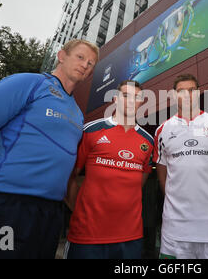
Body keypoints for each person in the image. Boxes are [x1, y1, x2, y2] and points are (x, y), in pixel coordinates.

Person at [0, 39, 99, 259]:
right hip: (6, 206)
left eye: (91, 64)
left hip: (50, 215)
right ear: (61, 55)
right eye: (80, 57)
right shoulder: (29, 83)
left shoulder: (78, 113)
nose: (85, 65)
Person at [64, 80, 154, 259]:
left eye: (136, 97)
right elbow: (67, 178)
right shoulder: (91, 131)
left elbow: (139, 184)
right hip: (87, 236)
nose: (130, 101)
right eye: (126, 95)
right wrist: (80, 210)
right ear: (115, 99)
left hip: (130, 238)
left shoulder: (148, 141)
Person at [153, 74, 208, 259]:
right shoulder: (162, 130)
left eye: (191, 90)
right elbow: (163, 175)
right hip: (175, 229)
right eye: (181, 91)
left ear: (198, 93)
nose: (187, 95)